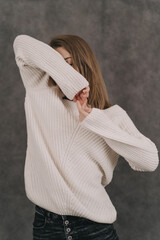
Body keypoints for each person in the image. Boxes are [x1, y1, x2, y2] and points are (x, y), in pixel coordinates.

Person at [13, 34, 159, 240]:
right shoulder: (41, 91)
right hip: (47, 228)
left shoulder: (112, 116)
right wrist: (75, 84)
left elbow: (149, 160)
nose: (62, 70)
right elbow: (21, 44)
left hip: (94, 229)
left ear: (85, 63)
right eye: (56, 64)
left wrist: (93, 119)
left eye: (70, 63)